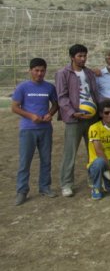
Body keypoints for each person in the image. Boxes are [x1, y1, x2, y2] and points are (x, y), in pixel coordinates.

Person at [12, 58, 59, 206]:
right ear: (30, 70)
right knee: (25, 161)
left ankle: (45, 187)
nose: (39, 73)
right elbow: (15, 107)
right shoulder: (23, 87)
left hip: (45, 129)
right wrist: (31, 116)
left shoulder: (49, 87)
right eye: (36, 70)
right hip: (28, 129)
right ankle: (22, 191)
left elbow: (56, 104)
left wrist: (50, 114)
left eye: (42, 70)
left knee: (46, 160)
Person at [55, 44, 99, 197]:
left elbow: (95, 93)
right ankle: (66, 184)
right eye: (80, 56)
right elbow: (62, 97)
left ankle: (93, 178)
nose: (83, 58)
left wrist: (98, 110)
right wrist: (73, 113)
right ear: (72, 57)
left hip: (91, 117)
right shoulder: (63, 73)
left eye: (85, 55)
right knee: (70, 152)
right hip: (74, 119)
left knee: (92, 150)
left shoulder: (89, 73)